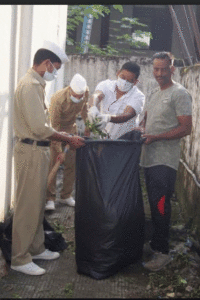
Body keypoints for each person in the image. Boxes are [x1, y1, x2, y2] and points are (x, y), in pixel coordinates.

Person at [11, 41, 85, 276]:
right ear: (46, 63)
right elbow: (39, 127)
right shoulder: (30, 85)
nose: (55, 72)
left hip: (38, 150)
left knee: (37, 204)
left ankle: (36, 248)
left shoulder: (37, 84)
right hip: (31, 150)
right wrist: (66, 137)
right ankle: (20, 258)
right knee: (27, 206)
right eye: (55, 67)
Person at [138, 52, 192, 272]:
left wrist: (157, 137)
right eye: (156, 69)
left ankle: (163, 253)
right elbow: (146, 120)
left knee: (161, 205)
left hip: (164, 161)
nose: (159, 73)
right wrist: (140, 129)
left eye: (163, 69)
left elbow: (186, 128)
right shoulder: (153, 92)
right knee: (153, 203)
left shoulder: (179, 93)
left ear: (172, 69)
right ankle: (156, 243)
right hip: (148, 159)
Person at [45, 73, 90, 211]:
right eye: (75, 95)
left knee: (71, 164)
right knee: (54, 163)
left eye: (80, 96)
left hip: (72, 130)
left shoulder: (85, 92)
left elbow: (84, 110)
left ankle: (66, 196)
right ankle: (50, 198)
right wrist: (59, 151)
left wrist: (88, 126)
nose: (78, 98)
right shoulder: (57, 99)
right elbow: (55, 127)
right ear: (70, 89)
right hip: (56, 132)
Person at [88, 61, 145, 139]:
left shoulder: (138, 96)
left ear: (135, 82)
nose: (124, 82)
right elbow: (96, 96)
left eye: (129, 80)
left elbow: (127, 115)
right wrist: (92, 107)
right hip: (103, 139)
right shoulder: (105, 85)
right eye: (123, 77)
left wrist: (108, 118)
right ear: (118, 73)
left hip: (125, 143)